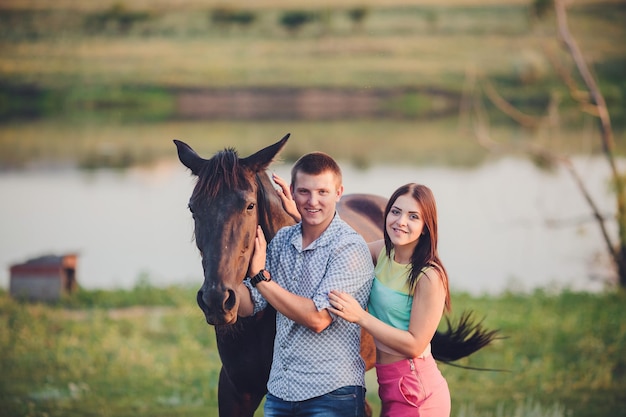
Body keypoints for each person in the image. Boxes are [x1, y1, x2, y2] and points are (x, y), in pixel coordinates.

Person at [235, 152, 374, 417]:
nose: (312, 201)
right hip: (280, 394)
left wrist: (261, 279)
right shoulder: (282, 241)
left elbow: (318, 318)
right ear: (291, 194)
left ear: (339, 192)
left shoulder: (349, 247)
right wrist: (224, 280)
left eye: (323, 191)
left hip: (332, 395)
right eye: (304, 192)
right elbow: (250, 303)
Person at [329, 183, 452, 417]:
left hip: (417, 392)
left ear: (426, 227)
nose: (401, 221)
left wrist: (360, 316)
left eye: (413, 216)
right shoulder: (383, 253)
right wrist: (298, 213)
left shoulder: (429, 276)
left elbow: (415, 344)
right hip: (389, 384)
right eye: (396, 212)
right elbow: (340, 247)